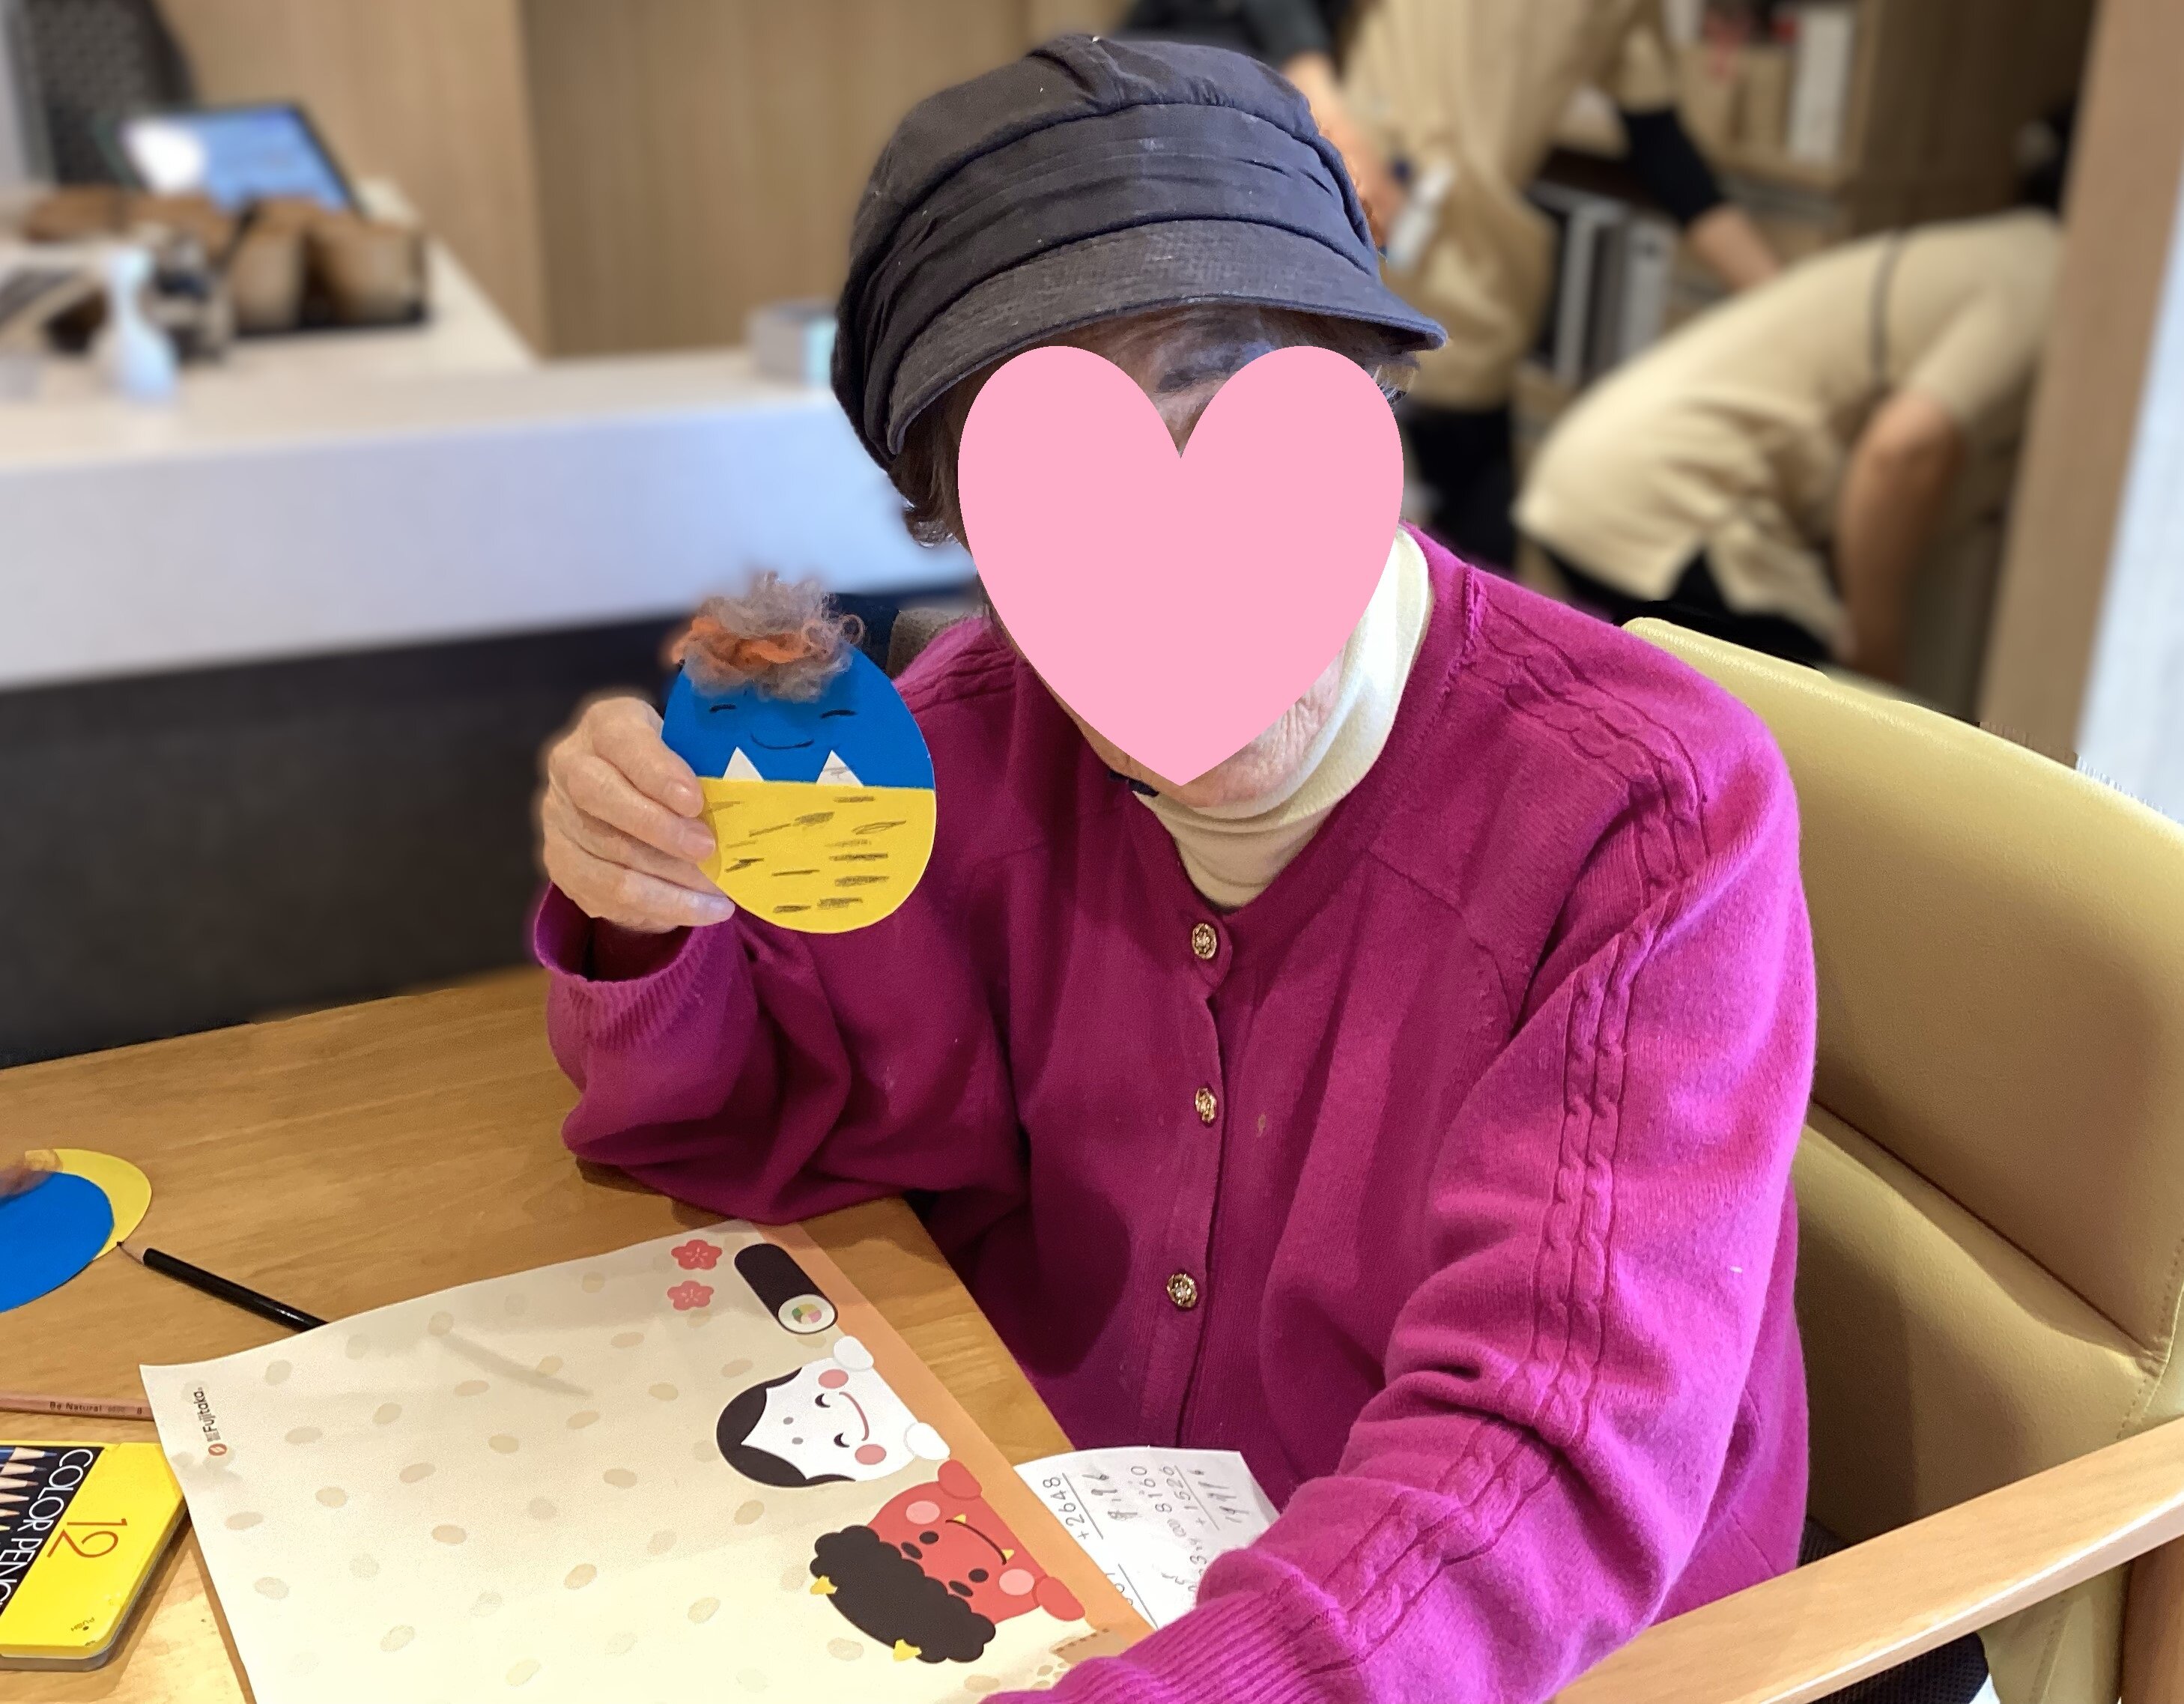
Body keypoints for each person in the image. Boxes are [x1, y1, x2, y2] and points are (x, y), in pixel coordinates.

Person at [534, 35, 1814, 1703]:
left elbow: (1543, 1452)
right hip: (1068, 1547)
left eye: (1230, 427)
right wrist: (654, 916)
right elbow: (785, 1110)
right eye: (1061, 497)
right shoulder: (970, 743)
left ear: (1368, 410)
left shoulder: (1644, 812)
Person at [1514, 206, 2063, 678]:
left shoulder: (2013, 249)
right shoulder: (2046, 282)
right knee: (1819, 737)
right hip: (1667, 505)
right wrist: (1876, 651)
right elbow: (1901, 454)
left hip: (1597, 474)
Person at [1340, 0, 1781, 568]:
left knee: (1465, 550)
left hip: (1467, 276)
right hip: (1341, 215)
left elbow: (1660, 145)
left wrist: (1787, 301)